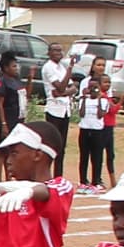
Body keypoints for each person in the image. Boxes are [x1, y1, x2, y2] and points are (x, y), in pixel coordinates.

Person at [39, 45, 82, 175]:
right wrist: (70, 69)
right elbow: (61, 87)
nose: (59, 53)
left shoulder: (61, 67)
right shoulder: (48, 67)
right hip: (54, 110)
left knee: (62, 147)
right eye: (55, 50)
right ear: (49, 53)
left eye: (60, 50)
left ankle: (59, 175)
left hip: (65, 109)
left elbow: (73, 87)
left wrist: (64, 91)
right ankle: (46, 174)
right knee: (52, 145)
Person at [76, 63, 116, 190]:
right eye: (91, 87)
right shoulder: (84, 100)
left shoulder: (103, 101)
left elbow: (100, 115)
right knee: (84, 156)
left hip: (97, 131)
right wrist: (84, 98)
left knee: (97, 156)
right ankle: (83, 180)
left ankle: (96, 180)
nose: (93, 89)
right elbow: (81, 114)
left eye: (96, 87)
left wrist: (98, 99)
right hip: (85, 129)